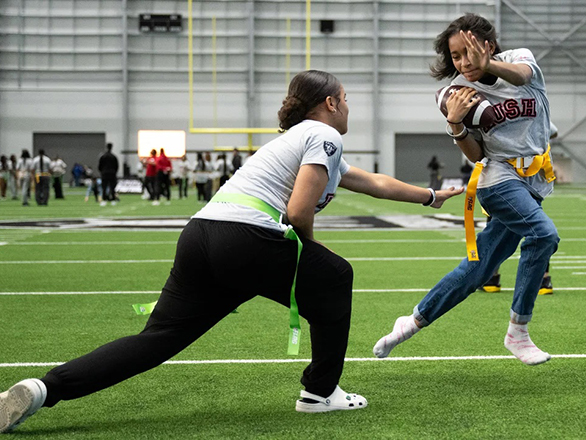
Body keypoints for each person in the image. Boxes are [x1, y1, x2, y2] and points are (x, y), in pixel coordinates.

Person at [0, 70, 463, 432]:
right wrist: (312, 253)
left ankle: (44, 389)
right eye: (346, 99)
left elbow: (375, 183)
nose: (349, 108)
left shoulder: (297, 141)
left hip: (202, 235)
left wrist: (430, 196)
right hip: (244, 239)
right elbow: (300, 209)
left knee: (157, 339)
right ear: (331, 103)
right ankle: (320, 394)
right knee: (335, 275)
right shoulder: (325, 135)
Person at [373, 14, 559, 367]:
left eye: (467, 52)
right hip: (498, 179)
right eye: (455, 56)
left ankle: (412, 321)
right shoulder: (457, 93)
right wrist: (455, 123)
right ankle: (518, 331)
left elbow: (520, 77)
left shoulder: (520, 59)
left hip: (534, 179)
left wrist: (488, 64)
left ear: (488, 45)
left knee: (478, 268)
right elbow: (478, 154)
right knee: (544, 235)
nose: (462, 63)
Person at [481, 121, 559, 296]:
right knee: (537, 227)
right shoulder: (528, 106)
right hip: (530, 176)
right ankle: (543, 279)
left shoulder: (496, 108)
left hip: (502, 179)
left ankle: (492, 277)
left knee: (496, 226)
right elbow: (553, 131)